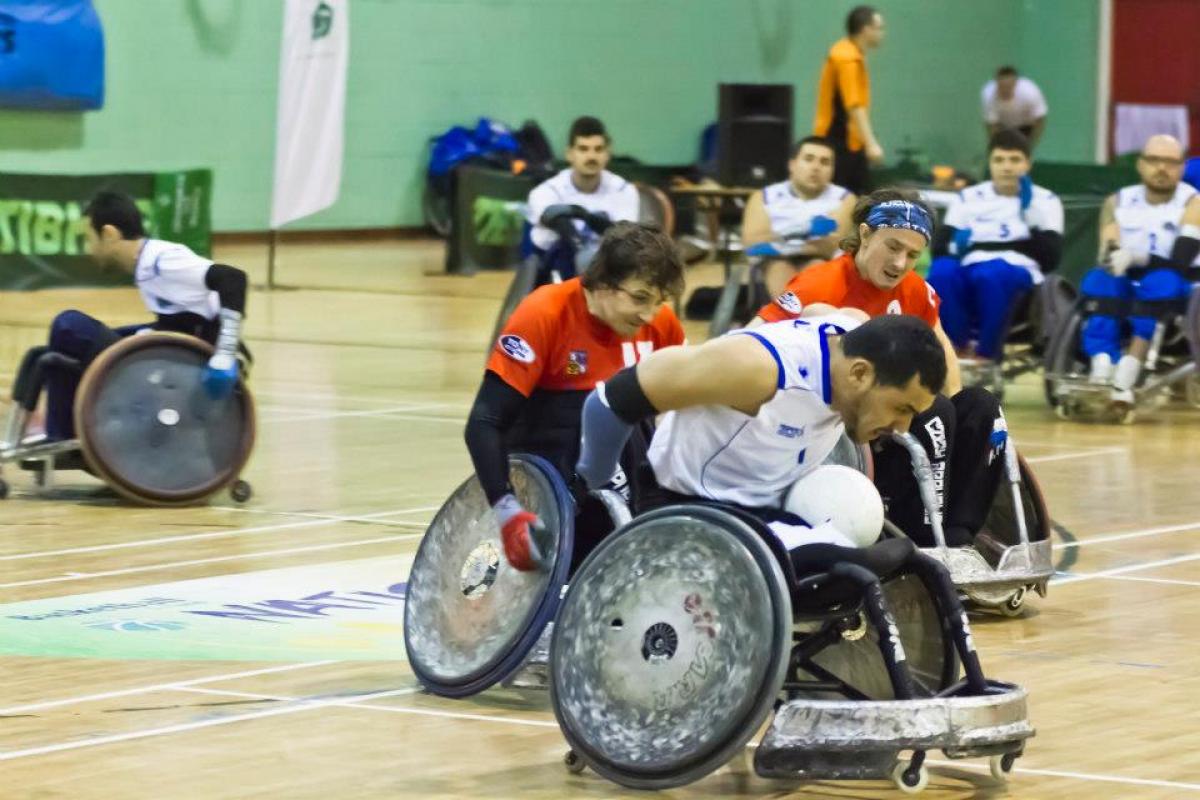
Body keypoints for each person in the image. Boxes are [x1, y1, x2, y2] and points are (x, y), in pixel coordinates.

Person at [750, 190, 1006, 547]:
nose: (900, 263)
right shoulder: (818, 284)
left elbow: (940, 348)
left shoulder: (915, 289)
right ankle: (924, 539)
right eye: (893, 247)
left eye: (913, 255)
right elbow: (753, 337)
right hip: (844, 427)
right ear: (866, 235)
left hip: (897, 417)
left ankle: (960, 537)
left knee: (981, 407)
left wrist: (959, 407)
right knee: (935, 411)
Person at [466, 222, 686, 572]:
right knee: (602, 405)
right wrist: (507, 509)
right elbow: (484, 422)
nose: (649, 315)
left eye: (660, 302)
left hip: (628, 473)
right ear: (602, 282)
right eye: (640, 298)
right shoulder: (543, 313)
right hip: (554, 463)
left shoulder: (662, 326)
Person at [39, 191, 248, 443]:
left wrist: (225, 354)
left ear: (109, 235)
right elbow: (183, 317)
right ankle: (62, 431)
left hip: (185, 364)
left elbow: (234, 279)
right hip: (167, 351)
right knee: (46, 353)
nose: (88, 249)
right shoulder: (146, 265)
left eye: (89, 239)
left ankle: (65, 435)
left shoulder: (164, 260)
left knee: (68, 325)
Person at [1078, 134, 1200, 404]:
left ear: (1182, 167)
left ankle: (1130, 366)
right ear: (1140, 164)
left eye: (1170, 162)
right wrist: (1114, 255)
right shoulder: (1117, 201)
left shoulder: (1194, 202)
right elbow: (1109, 248)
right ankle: (1102, 362)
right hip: (1125, 279)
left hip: (1176, 285)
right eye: (1154, 160)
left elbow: (1181, 259)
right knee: (1100, 279)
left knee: (1162, 281)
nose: (1161, 168)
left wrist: (1137, 257)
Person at [928, 128, 1063, 363]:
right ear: (990, 164)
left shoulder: (1046, 200)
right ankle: (955, 347)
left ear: (1028, 164)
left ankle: (986, 354)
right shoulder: (968, 197)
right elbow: (940, 247)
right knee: (941, 271)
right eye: (999, 160)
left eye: (1015, 160)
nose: (1007, 167)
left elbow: (1051, 258)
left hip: (1016, 272)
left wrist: (1029, 214)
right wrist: (957, 248)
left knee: (991, 274)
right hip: (970, 264)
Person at [525, 116, 640, 281]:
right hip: (552, 273)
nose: (591, 156)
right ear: (569, 154)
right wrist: (580, 247)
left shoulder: (624, 191)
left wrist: (583, 215)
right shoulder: (545, 191)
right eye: (583, 149)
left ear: (607, 154)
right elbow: (557, 219)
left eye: (598, 149)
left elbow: (623, 237)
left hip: (607, 274)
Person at [740, 135, 856, 298]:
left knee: (817, 267)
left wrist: (779, 241)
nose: (816, 167)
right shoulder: (763, 197)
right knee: (779, 267)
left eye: (825, 162)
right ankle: (788, 316)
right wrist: (809, 235)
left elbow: (830, 246)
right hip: (773, 262)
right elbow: (752, 242)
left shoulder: (845, 199)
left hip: (819, 260)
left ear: (832, 170)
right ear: (792, 164)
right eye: (809, 159)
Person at [812, 4, 886, 193]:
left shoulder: (851, 54)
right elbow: (854, 105)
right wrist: (871, 144)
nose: (882, 33)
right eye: (879, 28)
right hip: (839, 142)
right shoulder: (847, 58)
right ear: (866, 29)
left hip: (849, 142)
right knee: (850, 199)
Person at [981, 66, 1048, 150]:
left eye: (1008, 86)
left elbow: (1040, 120)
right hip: (1003, 126)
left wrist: (1031, 144)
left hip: (1026, 125)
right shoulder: (988, 95)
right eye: (1001, 86)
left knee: (1021, 151)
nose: (1005, 90)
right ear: (996, 83)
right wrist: (995, 145)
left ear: (1015, 83)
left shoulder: (1030, 92)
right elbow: (991, 125)